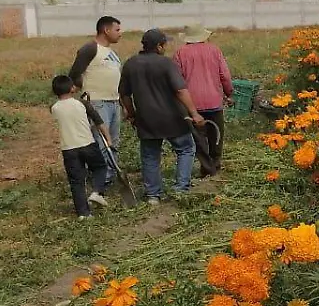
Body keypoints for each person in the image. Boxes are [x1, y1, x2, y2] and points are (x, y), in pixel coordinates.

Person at [118, 29, 205, 205]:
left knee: (150, 156)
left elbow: (124, 94)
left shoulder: (131, 64)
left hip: (147, 119)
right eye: (164, 44)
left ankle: (153, 195)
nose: (165, 47)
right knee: (186, 149)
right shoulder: (166, 64)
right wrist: (194, 113)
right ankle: (181, 189)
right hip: (172, 118)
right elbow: (180, 90)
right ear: (158, 46)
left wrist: (132, 114)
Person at [172, 25, 233, 176]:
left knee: (199, 138)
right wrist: (229, 92)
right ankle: (215, 164)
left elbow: (176, 80)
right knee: (216, 135)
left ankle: (206, 168)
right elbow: (224, 75)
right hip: (214, 101)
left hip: (192, 104)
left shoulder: (180, 53)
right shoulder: (214, 50)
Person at [68, 16, 123, 180]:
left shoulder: (112, 52)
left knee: (113, 141)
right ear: (106, 30)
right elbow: (74, 73)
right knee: (101, 142)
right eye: (117, 30)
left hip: (114, 101)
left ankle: (111, 176)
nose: (120, 33)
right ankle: (101, 180)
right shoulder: (90, 49)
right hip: (97, 103)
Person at [50, 75, 110, 219]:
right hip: (88, 144)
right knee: (100, 167)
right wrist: (108, 139)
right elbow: (98, 122)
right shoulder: (82, 104)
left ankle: (83, 213)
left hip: (69, 149)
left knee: (76, 181)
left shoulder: (54, 108)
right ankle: (97, 192)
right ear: (72, 88)